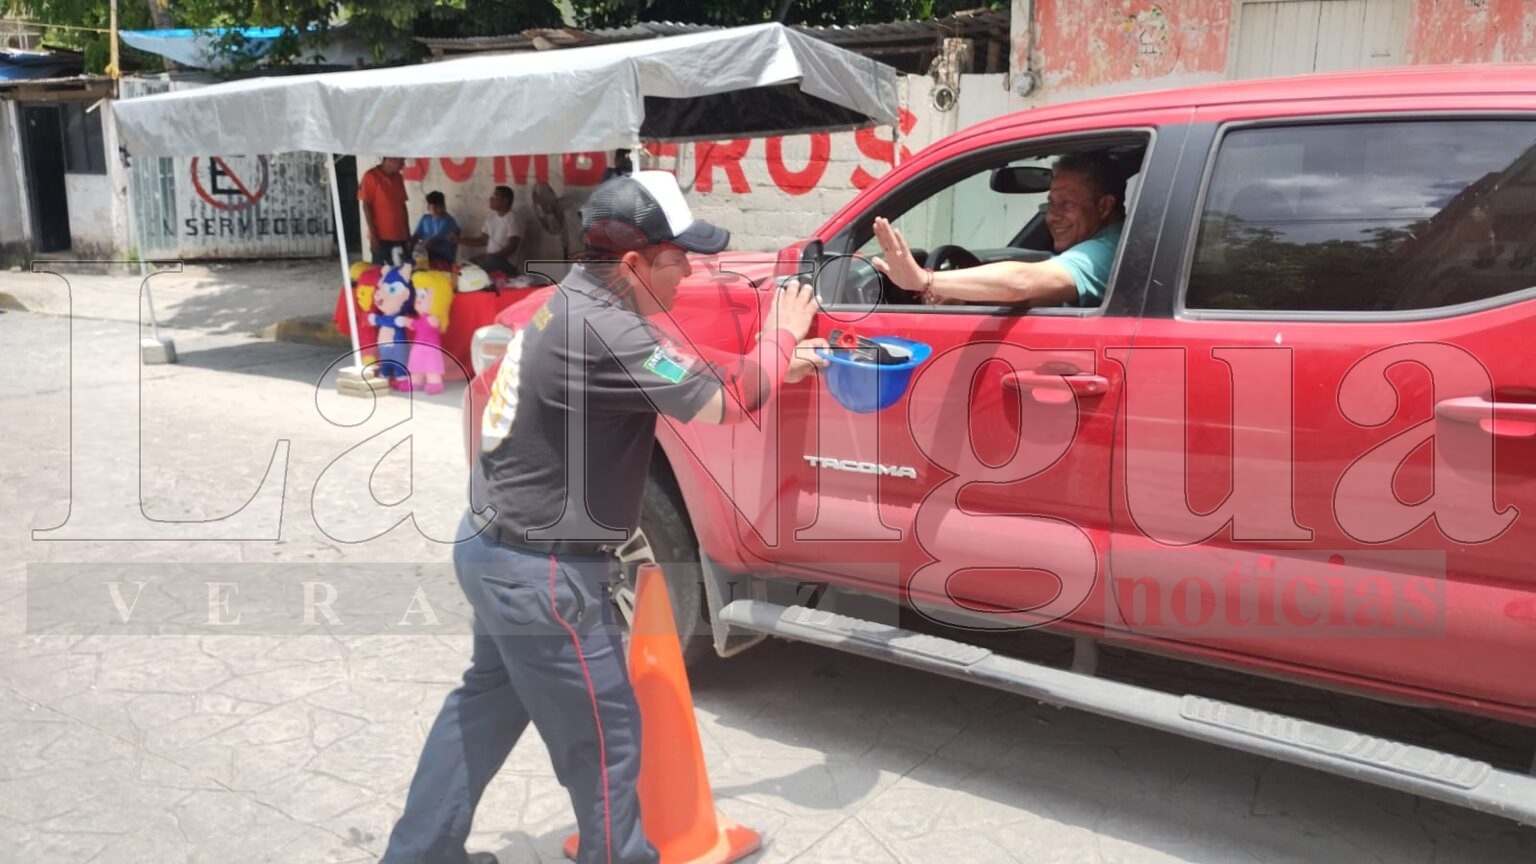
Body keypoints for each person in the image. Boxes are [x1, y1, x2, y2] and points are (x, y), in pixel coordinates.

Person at [379, 170, 827, 864]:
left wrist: (772, 362)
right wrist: (779, 334)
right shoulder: (609, 330)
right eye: (680, 258)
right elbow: (716, 401)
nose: (690, 272)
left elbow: (675, 370)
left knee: (486, 706)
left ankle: (420, 855)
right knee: (609, 739)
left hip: (496, 551)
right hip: (543, 574)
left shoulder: (576, 305)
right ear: (632, 262)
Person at [873, 152, 1127, 308]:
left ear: (1104, 206)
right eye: (1050, 204)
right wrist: (966, 296)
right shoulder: (1115, 241)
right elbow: (1042, 296)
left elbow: (1023, 282)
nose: (1053, 216)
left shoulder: (1104, 253)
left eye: (1067, 204)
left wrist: (925, 280)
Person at [460, 185, 522, 276]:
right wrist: (458, 240)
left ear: (505, 200)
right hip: (492, 257)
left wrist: (493, 256)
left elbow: (512, 247)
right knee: (465, 266)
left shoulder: (512, 218)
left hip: (506, 261)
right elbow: (482, 240)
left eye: (495, 196)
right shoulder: (491, 217)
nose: (491, 199)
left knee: (476, 272)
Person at [360, 156, 411, 266]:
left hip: (400, 236)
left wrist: (408, 234)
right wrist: (374, 236)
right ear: (392, 160)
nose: (404, 165)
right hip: (381, 237)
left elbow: (402, 206)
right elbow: (366, 207)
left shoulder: (398, 178)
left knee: (402, 273)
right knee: (382, 274)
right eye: (402, 161)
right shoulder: (371, 176)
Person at [409, 190, 461, 269]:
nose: (440, 210)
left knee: (415, 267)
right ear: (428, 208)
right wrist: (409, 248)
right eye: (436, 207)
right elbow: (415, 237)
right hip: (426, 255)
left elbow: (431, 243)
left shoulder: (449, 221)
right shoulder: (425, 219)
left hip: (442, 258)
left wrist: (416, 253)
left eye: (442, 206)